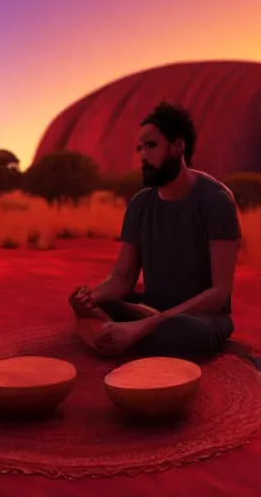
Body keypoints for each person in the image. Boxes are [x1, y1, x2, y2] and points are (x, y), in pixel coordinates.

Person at [69, 101, 242, 362]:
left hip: (198, 318)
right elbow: (122, 277)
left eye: (151, 145)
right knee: (99, 308)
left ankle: (127, 337)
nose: (142, 155)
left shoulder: (217, 201)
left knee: (185, 334)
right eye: (139, 148)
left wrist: (142, 327)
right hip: (149, 309)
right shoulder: (140, 204)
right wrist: (88, 300)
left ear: (177, 146)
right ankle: (128, 335)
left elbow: (219, 293)